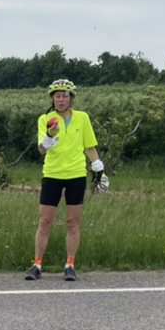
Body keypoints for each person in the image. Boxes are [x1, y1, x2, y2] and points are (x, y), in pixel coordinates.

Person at [25, 78, 104, 281]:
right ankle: (37, 264)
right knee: (45, 221)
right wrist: (49, 138)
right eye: (58, 96)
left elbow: (89, 146)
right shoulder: (46, 119)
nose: (61, 100)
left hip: (76, 174)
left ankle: (70, 264)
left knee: (73, 222)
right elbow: (41, 150)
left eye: (65, 96)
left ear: (71, 99)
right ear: (53, 98)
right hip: (52, 174)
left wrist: (98, 166)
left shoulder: (82, 118)